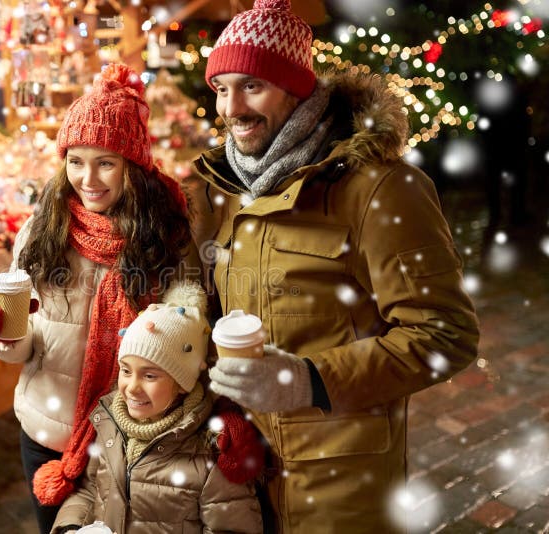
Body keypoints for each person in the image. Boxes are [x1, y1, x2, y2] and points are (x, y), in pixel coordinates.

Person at [184, 0, 481, 531]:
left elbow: (445, 335)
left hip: (339, 491)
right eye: (221, 88)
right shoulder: (221, 189)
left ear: (297, 87)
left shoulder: (380, 189)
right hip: (241, 482)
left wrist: (309, 380)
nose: (232, 107)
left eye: (252, 85)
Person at [0, 63, 193, 534]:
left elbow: (184, 336)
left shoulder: (162, 237)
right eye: (75, 160)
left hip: (131, 440)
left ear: (132, 166)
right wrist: (3, 333)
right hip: (47, 432)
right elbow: (29, 340)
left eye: (105, 162)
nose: (87, 178)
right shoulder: (42, 230)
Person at [51, 280, 264, 534]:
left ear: (182, 384)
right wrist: (71, 527)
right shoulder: (109, 427)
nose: (132, 387)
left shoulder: (210, 451)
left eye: (150, 376)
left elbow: (232, 528)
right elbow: (89, 490)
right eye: (126, 371)